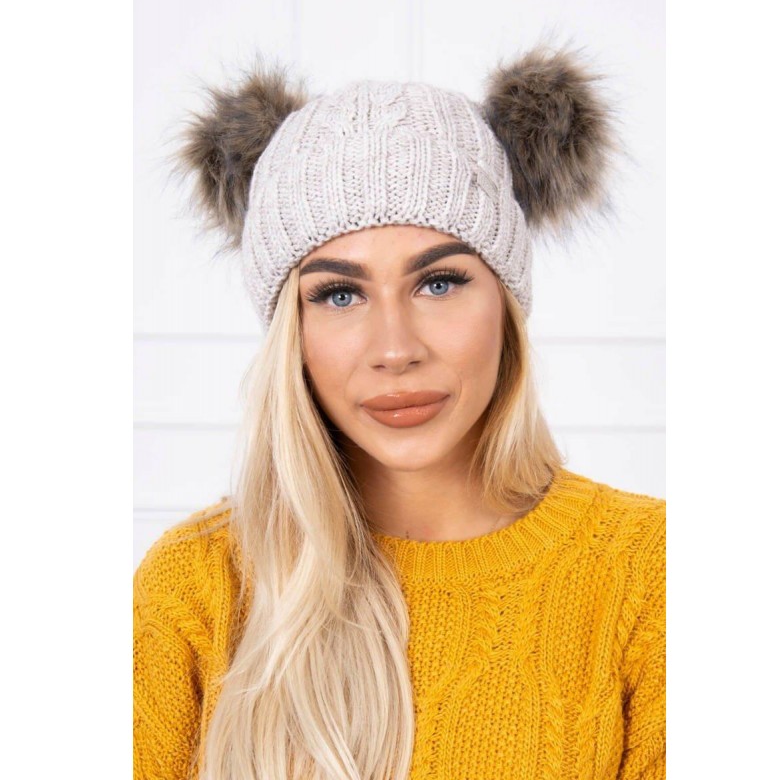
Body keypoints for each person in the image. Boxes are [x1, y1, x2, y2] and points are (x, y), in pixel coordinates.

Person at [133, 44, 666, 780]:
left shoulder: (649, 569)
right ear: (292, 333)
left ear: (506, 304)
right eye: (339, 294)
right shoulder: (198, 584)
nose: (394, 349)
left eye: (439, 283)